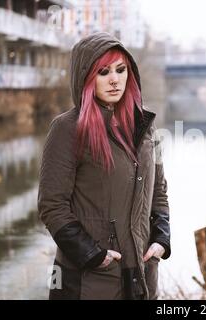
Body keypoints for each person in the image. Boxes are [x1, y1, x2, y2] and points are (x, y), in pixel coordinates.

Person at [38, 32, 170, 300]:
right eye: (103, 72)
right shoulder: (66, 129)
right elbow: (52, 205)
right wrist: (93, 255)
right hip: (88, 280)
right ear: (86, 78)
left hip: (142, 276)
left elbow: (159, 191)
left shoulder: (146, 126)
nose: (114, 79)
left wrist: (161, 240)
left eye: (121, 70)